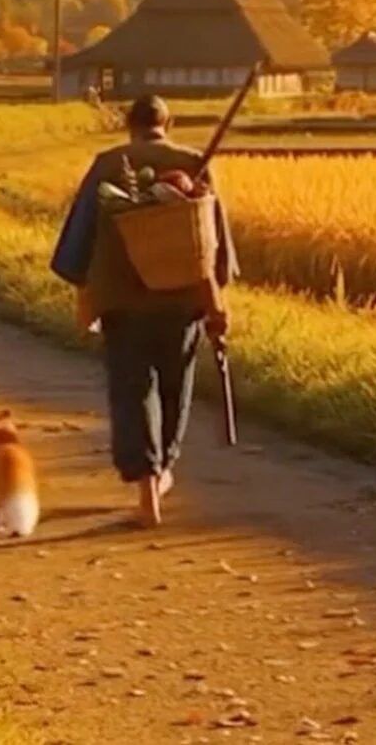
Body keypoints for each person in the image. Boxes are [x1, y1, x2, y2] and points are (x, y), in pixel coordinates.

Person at [50, 94, 236, 528]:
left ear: (128, 124)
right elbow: (214, 240)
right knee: (174, 388)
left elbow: (77, 241)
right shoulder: (194, 163)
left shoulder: (107, 165)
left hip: (123, 301)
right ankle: (164, 465)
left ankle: (147, 486)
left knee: (132, 390)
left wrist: (81, 280)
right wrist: (216, 296)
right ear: (168, 123)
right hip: (183, 299)